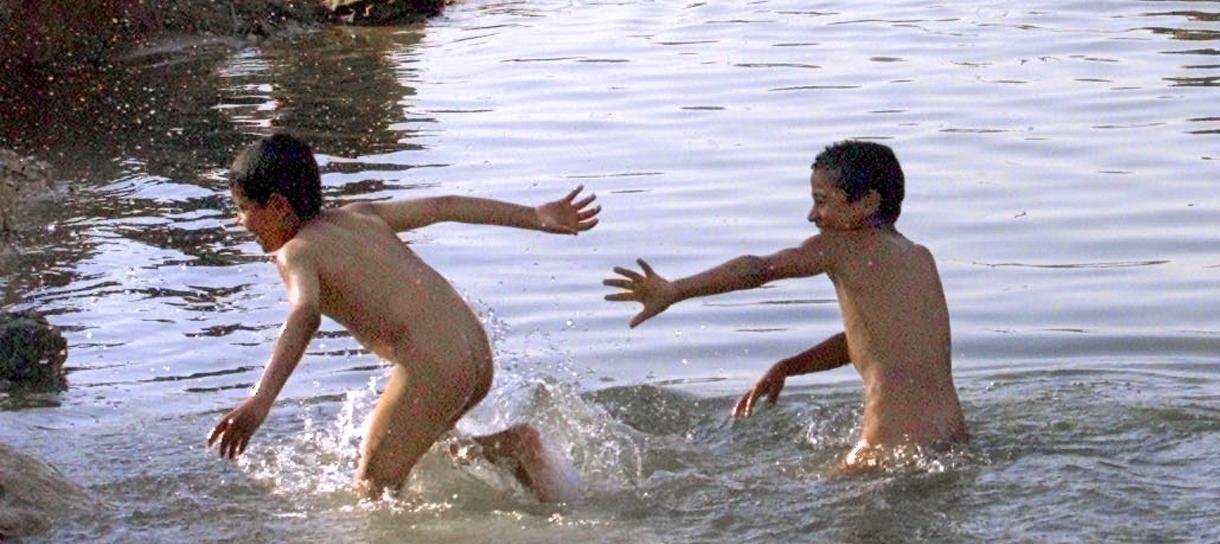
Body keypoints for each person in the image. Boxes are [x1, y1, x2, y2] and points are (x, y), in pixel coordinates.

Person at [210, 132, 598, 501]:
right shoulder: (359, 215)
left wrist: (260, 400)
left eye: (244, 209)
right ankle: (516, 454)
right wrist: (534, 215)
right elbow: (445, 207)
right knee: (436, 451)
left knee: (371, 490)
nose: (240, 222)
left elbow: (305, 313)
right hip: (474, 351)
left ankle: (513, 453)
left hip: (433, 366)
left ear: (278, 206)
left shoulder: (296, 252)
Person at [605, 140, 967, 465]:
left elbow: (758, 269)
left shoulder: (838, 247)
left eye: (821, 202)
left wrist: (676, 290)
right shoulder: (919, 257)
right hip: (951, 443)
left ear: (868, 203)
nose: (812, 216)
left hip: (887, 451)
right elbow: (881, 341)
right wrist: (790, 366)